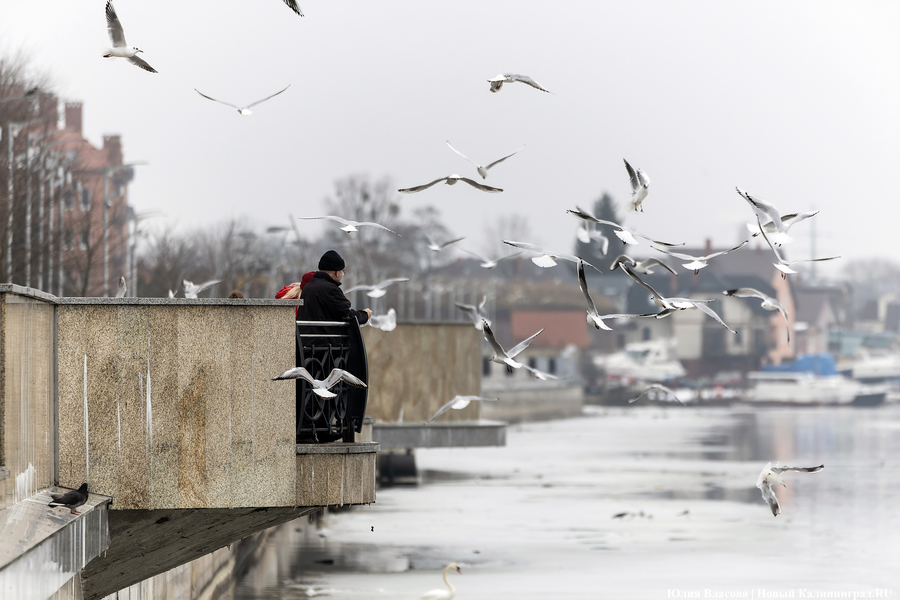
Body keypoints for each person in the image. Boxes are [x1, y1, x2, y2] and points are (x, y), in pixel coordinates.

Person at [296, 250, 372, 324]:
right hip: (324, 336)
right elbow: (346, 315)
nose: (342, 274)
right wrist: (365, 315)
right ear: (337, 273)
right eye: (342, 272)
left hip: (307, 335)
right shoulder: (330, 289)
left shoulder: (308, 286)